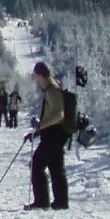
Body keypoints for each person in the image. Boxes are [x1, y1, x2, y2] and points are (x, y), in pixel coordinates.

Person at [24, 60, 70, 210]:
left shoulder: (52, 91)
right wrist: (36, 133)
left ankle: (42, 202)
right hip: (57, 135)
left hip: (53, 136)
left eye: (35, 75)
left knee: (36, 165)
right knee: (56, 168)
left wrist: (40, 126)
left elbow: (58, 114)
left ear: (40, 75)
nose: (35, 78)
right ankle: (61, 202)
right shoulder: (53, 89)